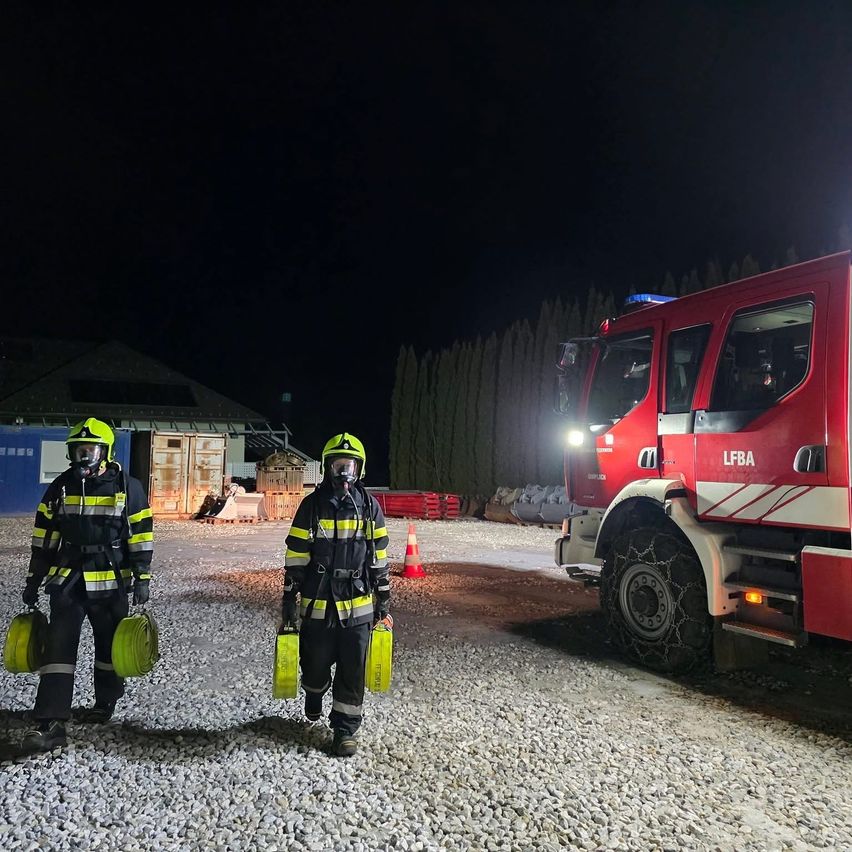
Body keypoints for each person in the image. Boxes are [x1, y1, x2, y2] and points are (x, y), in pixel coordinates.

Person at [20, 418, 154, 751]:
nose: (83, 457)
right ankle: (49, 723)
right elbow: (45, 536)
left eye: (90, 450)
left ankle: (105, 702)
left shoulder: (128, 486)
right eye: (77, 450)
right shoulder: (61, 486)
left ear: (105, 452)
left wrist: (142, 578)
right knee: (58, 649)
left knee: (109, 647)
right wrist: (35, 578)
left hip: (111, 578)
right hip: (69, 578)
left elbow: (141, 535)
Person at [282, 432, 390, 757]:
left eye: (350, 466)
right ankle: (314, 692)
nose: (344, 473)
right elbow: (297, 555)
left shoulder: (370, 507)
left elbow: (379, 558)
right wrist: (289, 598)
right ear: (328, 468)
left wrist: (383, 598)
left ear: (360, 470)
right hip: (318, 604)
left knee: (353, 669)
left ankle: (344, 730)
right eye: (339, 466)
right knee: (314, 665)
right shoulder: (311, 507)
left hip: (357, 606)